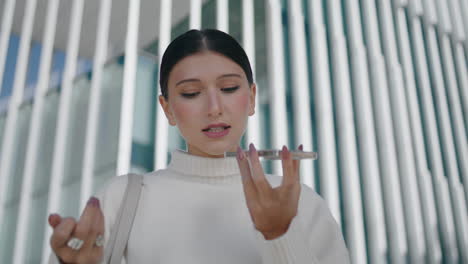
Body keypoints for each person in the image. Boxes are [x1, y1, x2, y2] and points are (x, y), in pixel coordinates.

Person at [48, 29, 350, 264]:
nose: (214, 107)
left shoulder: (301, 204)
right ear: (167, 109)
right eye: (191, 93)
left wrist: (279, 234)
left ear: (253, 97)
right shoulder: (122, 198)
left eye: (229, 88)